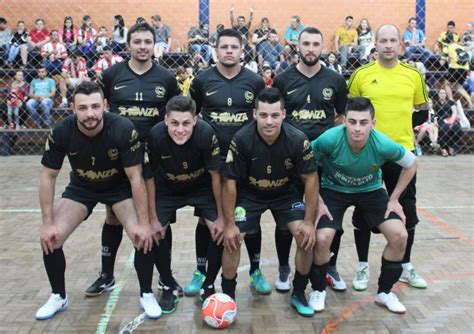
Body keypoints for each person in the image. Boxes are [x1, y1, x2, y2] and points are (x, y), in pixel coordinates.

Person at [35, 81, 160, 320]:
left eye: (95, 106)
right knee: (52, 238)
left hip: (118, 188)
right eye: (83, 108)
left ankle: (146, 293)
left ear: (105, 105)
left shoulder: (123, 128)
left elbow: (136, 177)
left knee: (141, 235)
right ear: (72, 107)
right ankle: (58, 296)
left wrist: (144, 223)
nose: (90, 114)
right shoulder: (62, 130)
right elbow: (48, 177)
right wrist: (47, 223)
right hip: (82, 188)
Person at [87, 22, 180, 298]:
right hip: (117, 157)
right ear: (128, 45)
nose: (142, 47)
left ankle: (165, 277)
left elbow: (174, 117)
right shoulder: (111, 75)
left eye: (147, 42)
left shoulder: (166, 78)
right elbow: (92, 106)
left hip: (154, 159)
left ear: (155, 45)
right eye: (137, 41)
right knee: (113, 216)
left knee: (160, 219)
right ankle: (106, 275)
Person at [309, 97, 418, 314]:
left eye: (363, 122)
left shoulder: (382, 143)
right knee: (322, 238)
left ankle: (385, 292)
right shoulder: (329, 139)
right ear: (344, 121)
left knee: (400, 236)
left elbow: (412, 163)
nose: (357, 128)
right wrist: (317, 200)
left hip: (371, 191)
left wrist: (394, 198)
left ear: (373, 124)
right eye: (352, 122)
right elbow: (304, 163)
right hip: (333, 191)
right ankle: (318, 289)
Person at [221, 87, 318, 317]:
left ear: (284, 114)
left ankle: (299, 292)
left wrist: (308, 221)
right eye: (263, 115)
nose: (269, 121)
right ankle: (228, 297)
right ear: (254, 114)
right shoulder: (242, 139)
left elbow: (311, 180)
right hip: (250, 196)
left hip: (286, 195)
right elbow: (229, 183)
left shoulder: (297, 139)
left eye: (275, 115)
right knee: (232, 240)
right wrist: (229, 224)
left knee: (306, 239)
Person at [348, 24, 429, 291]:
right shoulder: (361, 75)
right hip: (368, 153)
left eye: (393, 40)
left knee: (407, 208)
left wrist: (406, 137)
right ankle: (362, 267)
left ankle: (405, 265)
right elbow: (354, 113)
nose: (388, 45)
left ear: (400, 44)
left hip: (401, 153)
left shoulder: (413, 75)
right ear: (376, 43)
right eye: (383, 40)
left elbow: (422, 110)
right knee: (363, 207)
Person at [190, 28, 267, 299]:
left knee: (249, 218)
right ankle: (200, 271)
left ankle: (256, 270)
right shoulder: (202, 80)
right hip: (211, 161)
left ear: (242, 50)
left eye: (235, 47)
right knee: (206, 218)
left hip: (246, 162)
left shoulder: (255, 81)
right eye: (224, 47)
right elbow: (193, 116)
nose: (230, 51)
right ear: (216, 50)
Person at [273, 27, 348, 293]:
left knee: (331, 217)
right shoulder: (283, 80)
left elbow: (341, 117)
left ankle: (330, 266)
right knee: (286, 218)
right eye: (306, 43)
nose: (311, 49)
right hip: (290, 159)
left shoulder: (335, 80)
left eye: (316, 44)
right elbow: (275, 115)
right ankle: (284, 268)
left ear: (322, 46)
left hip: (325, 160)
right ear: (298, 46)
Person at [144, 95, 224, 313]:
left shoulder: (206, 133)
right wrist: (152, 218)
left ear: (195, 120)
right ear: (165, 120)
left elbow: (216, 176)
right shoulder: (155, 136)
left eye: (186, 123)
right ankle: (168, 284)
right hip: (167, 188)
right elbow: (148, 178)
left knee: (219, 230)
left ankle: (208, 284)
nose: (180, 129)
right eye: (175, 123)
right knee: (156, 231)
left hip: (201, 187)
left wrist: (222, 217)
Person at [441, 33, 472, 109]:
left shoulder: (447, 47)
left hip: (455, 67)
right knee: (459, 87)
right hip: (465, 68)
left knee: (446, 83)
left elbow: (442, 62)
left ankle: (451, 101)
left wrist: (443, 61)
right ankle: (470, 102)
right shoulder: (459, 46)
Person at [434, 88, 464, 157]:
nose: (442, 95)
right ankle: (443, 148)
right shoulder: (436, 103)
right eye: (441, 93)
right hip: (441, 120)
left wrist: (452, 121)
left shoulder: (450, 102)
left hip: (451, 118)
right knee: (444, 129)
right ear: (438, 94)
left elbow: (454, 112)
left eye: (444, 93)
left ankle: (451, 147)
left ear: (446, 94)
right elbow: (434, 114)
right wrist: (435, 121)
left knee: (457, 129)